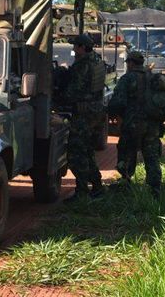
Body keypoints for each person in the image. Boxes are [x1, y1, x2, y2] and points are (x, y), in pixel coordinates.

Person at [108, 50, 163, 198]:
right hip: (152, 125)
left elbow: (118, 102)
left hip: (132, 124)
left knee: (127, 153)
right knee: (151, 157)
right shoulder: (153, 78)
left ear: (131, 63)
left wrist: (111, 113)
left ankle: (125, 184)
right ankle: (155, 190)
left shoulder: (127, 78)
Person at [64, 34, 106, 203]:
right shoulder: (97, 61)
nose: (73, 48)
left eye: (75, 46)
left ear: (82, 47)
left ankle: (82, 192)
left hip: (84, 114)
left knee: (75, 154)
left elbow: (74, 91)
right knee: (88, 151)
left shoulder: (82, 65)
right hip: (95, 112)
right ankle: (97, 186)